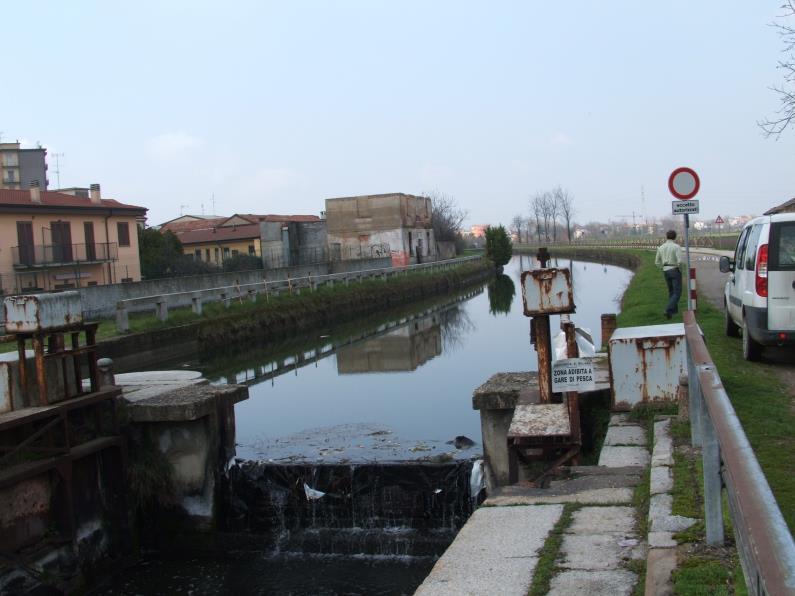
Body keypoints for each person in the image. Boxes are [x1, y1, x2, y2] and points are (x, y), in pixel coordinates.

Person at [655, 230, 683, 319]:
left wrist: (662, 267)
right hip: (674, 269)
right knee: (677, 292)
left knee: (671, 291)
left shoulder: (661, 247)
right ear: (675, 237)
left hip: (665, 270)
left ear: (666, 237)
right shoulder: (676, 247)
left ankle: (671, 313)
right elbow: (680, 261)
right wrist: (679, 268)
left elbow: (656, 262)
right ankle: (668, 309)